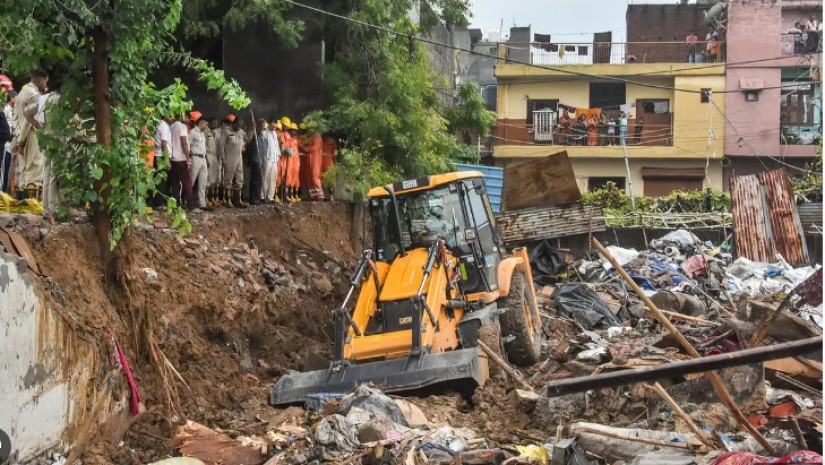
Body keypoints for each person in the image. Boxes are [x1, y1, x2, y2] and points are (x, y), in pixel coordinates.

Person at [12, 68, 48, 200]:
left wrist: (20, 139)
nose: (46, 85)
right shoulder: (35, 95)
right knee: (35, 167)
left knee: (23, 169)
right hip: (31, 135)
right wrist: (22, 140)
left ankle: (22, 200)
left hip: (21, 134)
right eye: (45, 82)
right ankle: (31, 204)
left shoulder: (23, 91)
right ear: (40, 79)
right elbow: (29, 119)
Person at [220, 116, 247, 208]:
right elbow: (221, 145)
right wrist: (223, 158)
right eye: (238, 125)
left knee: (240, 178)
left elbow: (247, 138)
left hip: (239, 157)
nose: (239, 127)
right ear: (234, 123)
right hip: (230, 157)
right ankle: (228, 200)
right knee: (228, 179)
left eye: (240, 126)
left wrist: (252, 130)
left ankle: (238, 200)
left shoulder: (241, 131)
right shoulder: (226, 131)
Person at [187, 112, 211, 211]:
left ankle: (202, 204)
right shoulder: (192, 132)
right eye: (206, 124)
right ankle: (186, 202)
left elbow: (203, 147)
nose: (207, 126)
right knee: (191, 181)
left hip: (203, 158)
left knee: (203, 182)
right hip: (195, 158)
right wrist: (188, 159)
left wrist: (207, 159)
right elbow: (187, 145)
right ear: (201, 123)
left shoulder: (202, 133)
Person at [169, 114, 193, 209]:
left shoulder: (172, 126)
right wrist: (188, 159)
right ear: (182, 116)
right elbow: (184, 142)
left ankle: (176, 204)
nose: (187, 119)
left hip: (173, 158)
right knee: (187, 182)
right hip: (181, 159)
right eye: (186, 117)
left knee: (175, 183)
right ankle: (191, 205)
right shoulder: (182, 127)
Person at [300, 121, 324, 200]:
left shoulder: (317, 136)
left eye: (309, 128)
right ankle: (314, 195)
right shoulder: (311, 136)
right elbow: (305, 142)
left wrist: (304, 148)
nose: (308, 130)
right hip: (309, 157)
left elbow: (315, 147)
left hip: (315, 157)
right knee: (309, 176)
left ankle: (320, 195)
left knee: (314, 175)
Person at [262, 118, 281, 203]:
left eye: (275, 125)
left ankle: (270, 197)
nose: (274, 127)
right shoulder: (264, 133)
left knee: (273, 179)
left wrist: (278, 156)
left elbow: (276, 146)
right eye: (272, 125)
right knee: (265, 177)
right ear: (269, 124)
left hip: (274, 158)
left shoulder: (275, 134)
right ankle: (262, 196)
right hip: (267, 158)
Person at [1, 88, 15, 193]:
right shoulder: (5, 110)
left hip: (9, 141)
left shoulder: (13, 110)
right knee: (4, 167)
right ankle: (3, 189)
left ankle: (4, 188)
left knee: (7, 167)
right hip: (5, 142)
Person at [204, 117, 219, 206]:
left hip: (215, 156)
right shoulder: (206, 132)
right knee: (208, 178)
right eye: (214, 123)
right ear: (209, 123)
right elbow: (204, 146)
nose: (215, 125)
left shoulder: (216, 133)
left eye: (216, 123)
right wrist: (206, 158)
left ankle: (211, 197)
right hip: (208, 155)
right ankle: (205, 198)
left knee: (214, 177)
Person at [286, 122, 301, 202]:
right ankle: (289, 196)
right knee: (289, 176)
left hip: (296, 160)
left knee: (296, 177)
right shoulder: (288, 140)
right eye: (292, 130)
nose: (294, 132)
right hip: (290, 159)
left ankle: (295, 195)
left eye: (295, 130)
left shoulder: (297, 139)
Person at [276, 118, 290, 203]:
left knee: (282, 175)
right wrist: (284, 151)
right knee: (277, 176)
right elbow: (280, 148)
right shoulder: (278, 133)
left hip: (282, 158)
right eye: (285, 126)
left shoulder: (284, 134)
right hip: (277, 157)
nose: (286, 128)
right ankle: (275, 195)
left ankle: (279, 196)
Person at [321, 134, 337, 201]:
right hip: (329, 161)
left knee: (320, 178)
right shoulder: (333, 142)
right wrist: (334, 162)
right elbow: (335, 153)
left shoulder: (321, 140)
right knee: (330, 180)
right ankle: (331, 196)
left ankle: (321, 195)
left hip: (321, 161)